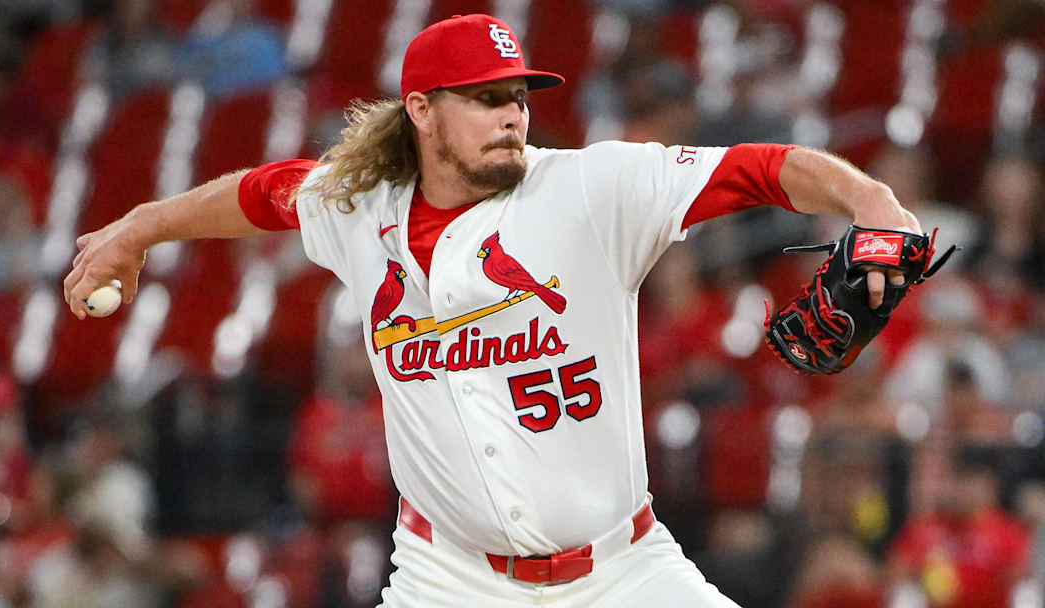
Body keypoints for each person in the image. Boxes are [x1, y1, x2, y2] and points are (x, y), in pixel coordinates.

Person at [63, 13, 922, 607]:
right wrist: (140, 226)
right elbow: (262, 194)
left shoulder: (591, 187)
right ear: (423, 112)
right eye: (485, 97)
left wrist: (877, 203)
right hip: (449, 578)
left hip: (621, 575)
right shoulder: (360, 204)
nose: (513, 113)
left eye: (518, 94)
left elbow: (767, 166)